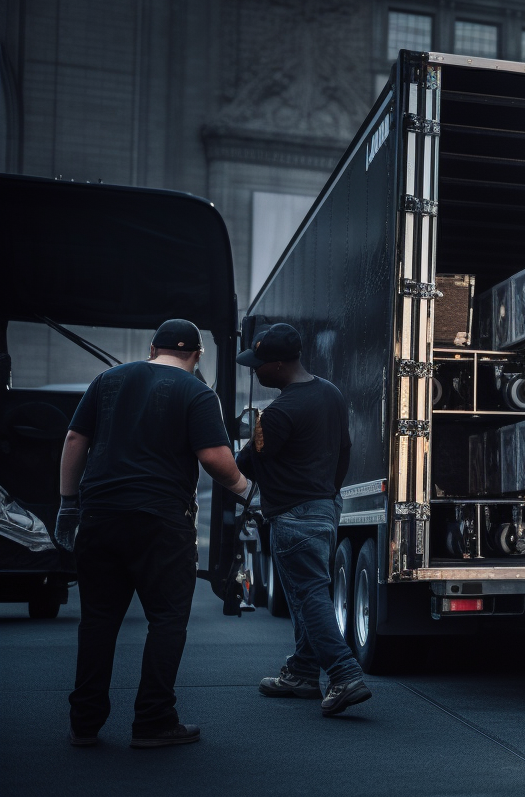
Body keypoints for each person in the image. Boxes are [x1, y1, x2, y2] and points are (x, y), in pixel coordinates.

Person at [59, 319, 250, 748]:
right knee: (166, 619)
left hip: (100, 518)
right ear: (197, 355)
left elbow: (74, 439)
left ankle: (84, 724)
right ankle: (153, 721)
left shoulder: (107, 380)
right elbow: (215, 458)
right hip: (161, 523)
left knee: (98, 621)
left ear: (151, 348)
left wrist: (68, 505)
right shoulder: (197, 392)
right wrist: (248, 491)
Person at [235, 323, 368, 716]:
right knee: (308, 594)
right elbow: (344, 450)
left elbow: (244, 465)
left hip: (292, 515)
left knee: (309, 596)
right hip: (325, 508)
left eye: (258, 364)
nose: (254, 371)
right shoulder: (331, 393)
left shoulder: (276, 414)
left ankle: (344, 675)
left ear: (277, 364)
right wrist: (327, 492)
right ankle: (303, 673)